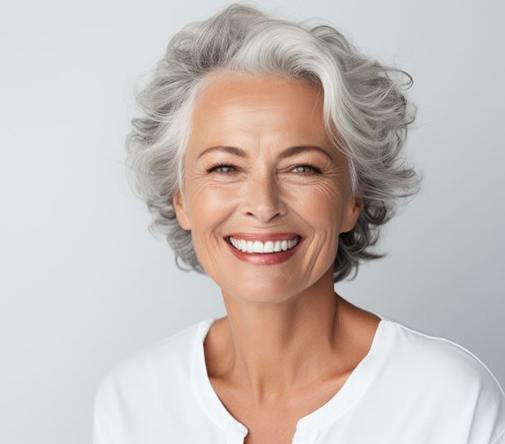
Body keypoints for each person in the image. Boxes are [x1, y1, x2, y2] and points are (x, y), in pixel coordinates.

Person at [92, 3, 505, 443]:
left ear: (353, 199)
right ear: (181, 201)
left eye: (302, 168)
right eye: (225, 168)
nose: (263, 205)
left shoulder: (448, 400)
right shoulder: (132, 401)